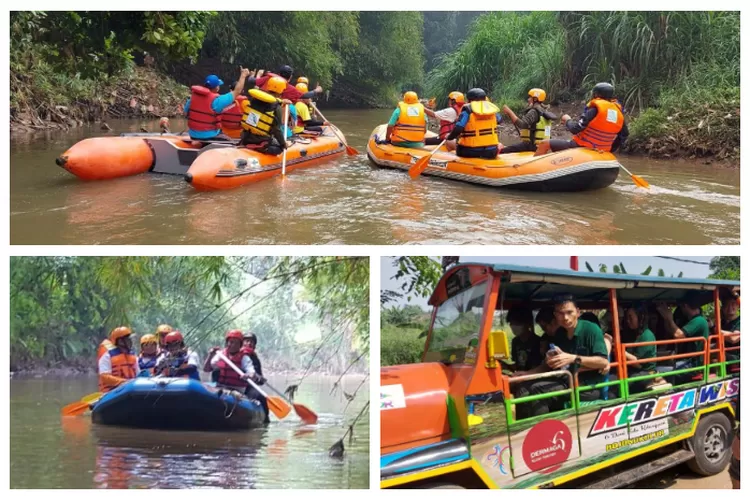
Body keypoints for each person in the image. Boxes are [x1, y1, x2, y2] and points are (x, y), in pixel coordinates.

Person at [513, 296, 608, 416]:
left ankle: (543, 431)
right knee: (523, 388)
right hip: (565, 380)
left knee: (537, 390)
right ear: (555, 315)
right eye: (561, 314)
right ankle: (520, 430)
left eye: (569, 312)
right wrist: (527, 374)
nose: (565, 318)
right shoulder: (559, 334)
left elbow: (603, 362)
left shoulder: (590, 329)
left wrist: (574, 358)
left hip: (587, 386)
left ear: (578, 312)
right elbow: (550, 365)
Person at [534, 82, 628, 156]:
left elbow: (575, 129)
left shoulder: (595, 109)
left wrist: (567, 120)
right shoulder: (618, 114)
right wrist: (610, 150)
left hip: (582, 146)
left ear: (596, 95)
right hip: (603, 150)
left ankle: (534, 172)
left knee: (544, 143)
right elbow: (624, 134)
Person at [184, 68, 252, 141]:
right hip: (210, 136)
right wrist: (243, 75)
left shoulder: (193, 98)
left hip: (192, 134)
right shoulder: (217, 101)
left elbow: (185, 113)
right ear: (217, 88)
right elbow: (237, 91)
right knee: (228, 140)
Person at [656, 292, 710, 383]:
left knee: (658, 371)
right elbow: (672, 332)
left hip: (693, 365)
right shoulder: (690, 320)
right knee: (660, 368)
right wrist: (666, 318)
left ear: (685, 306)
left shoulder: (699, 321)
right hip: (687, 361)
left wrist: (670, 318)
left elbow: (678, 336)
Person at [239, 76, 293, 155]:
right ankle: (263, 149)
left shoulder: (255, 100)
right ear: (281, 91)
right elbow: (276, 130)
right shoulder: (276, 107)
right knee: (280, 148)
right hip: (261, 141)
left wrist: (281, 102)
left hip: (245, 137)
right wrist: (283, 144)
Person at [445, 88, 503, 159]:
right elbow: (500, 120)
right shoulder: (492, 110)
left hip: (470, 151)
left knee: (450, 142)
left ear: (470, 100)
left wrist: (449, 137)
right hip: (491, 151)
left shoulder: (467, 110)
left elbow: (458, 128)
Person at [500, 88, 556, 153]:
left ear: (535, 99)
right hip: (541, 146)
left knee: (504, 151)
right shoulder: (544, 111)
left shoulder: (533, 111)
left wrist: (509, 112)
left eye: (530, 97)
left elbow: (522, 124)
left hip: (531, 146)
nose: (528, 99)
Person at [621, 305, 659, 393]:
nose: (628, 320)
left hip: (646, 372)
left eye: (630, 317)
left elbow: (638, 363)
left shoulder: (647, 335)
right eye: (627, 317)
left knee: (622, 384)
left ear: (640, 317)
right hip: (636, 370)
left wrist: (620, 351)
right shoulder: (635, 333)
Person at [251, 65, 323, 103]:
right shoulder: (289, 88)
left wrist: (253, 75)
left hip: (257, 104)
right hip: (272, 111)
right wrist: (317, 90)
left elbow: (251, 80)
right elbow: (305, 95)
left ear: (278, 73)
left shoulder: (268, 78)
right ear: (290, 77)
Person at [98, 326, 139, 392]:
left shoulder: (133, 356)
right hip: (111, 392)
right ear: (120, 341)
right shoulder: (107, 354)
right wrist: (125, 382)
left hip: (130, 389)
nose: (130, 342)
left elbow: (138, 374)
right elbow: (104, 377)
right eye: (128, 339)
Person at [242, 331, 269, 422]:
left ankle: (266, 420)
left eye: (251, 342)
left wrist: (259, 378)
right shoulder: (237, 354)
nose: (249, 343)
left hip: (249, 388)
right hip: (237, 385)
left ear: (254, 345)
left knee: (261, 396)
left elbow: (260, 381)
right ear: (242, 342)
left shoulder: (255, 359)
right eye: (246, 341)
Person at [507, 306, 543, 373]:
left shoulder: (537, 342)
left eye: (517, 323)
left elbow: (536, 368)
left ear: (527, 323)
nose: (513, 326)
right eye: (511, 323)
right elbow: (518, 365)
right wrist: (505, 366)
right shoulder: (515, 341)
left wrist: (524, 375)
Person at [720, 290, 740, 362]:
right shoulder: (722, 322)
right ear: (722, 307)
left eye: (733, 304)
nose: (730, 308)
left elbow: (733, 338)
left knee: (716, 353)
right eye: (726, 305)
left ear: (738, 305)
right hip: (725, 353)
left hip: (737, 357)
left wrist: (714, 328)